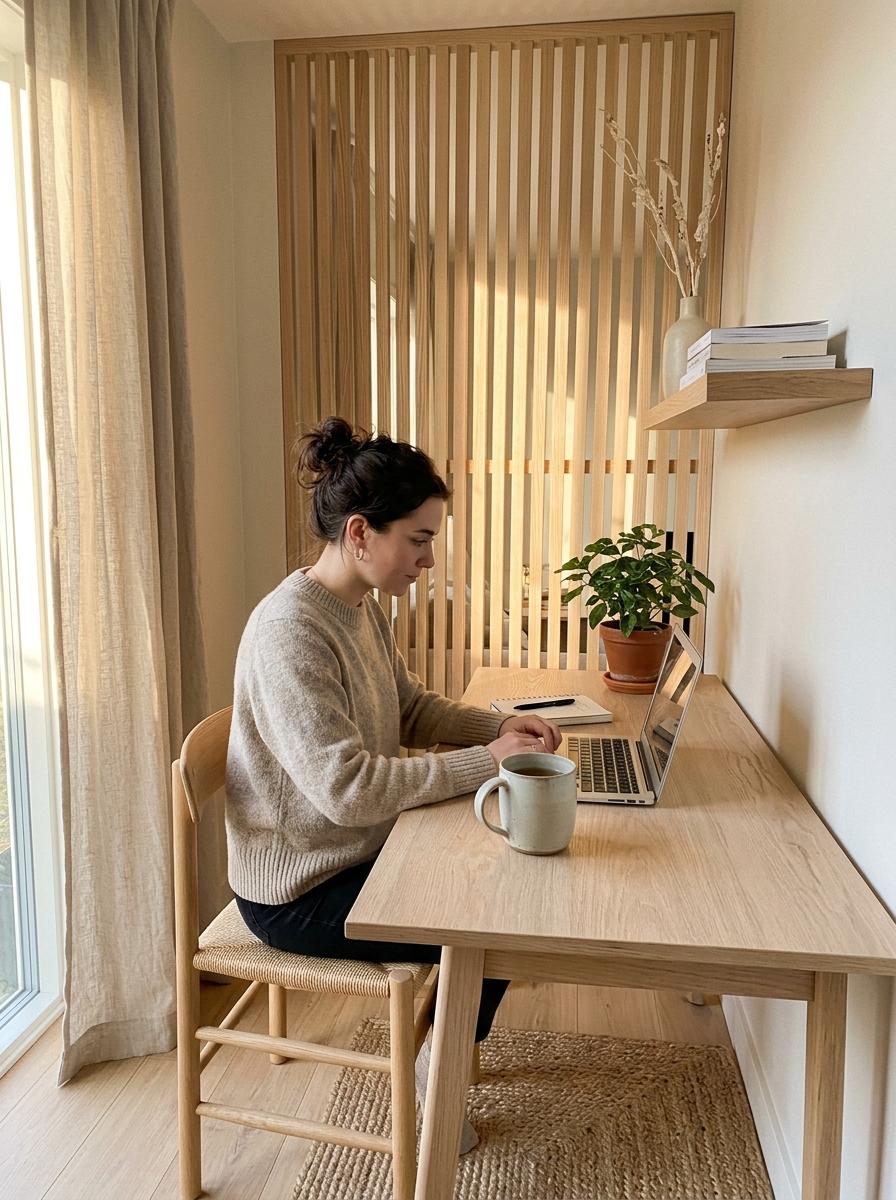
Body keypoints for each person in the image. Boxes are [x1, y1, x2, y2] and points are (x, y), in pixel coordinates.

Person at [225, 416, 561, 1150]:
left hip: (356, 849)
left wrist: (500, 727)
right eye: (419, 539)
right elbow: (347, 789)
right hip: (300, 887)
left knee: (507, 885)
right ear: (359, 533)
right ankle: (438, 1073)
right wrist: (491, 762)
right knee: (489, 924)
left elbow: (409, 707)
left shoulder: (355, 607)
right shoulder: (291, 631)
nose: (429, 559)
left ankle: (443, 1047)